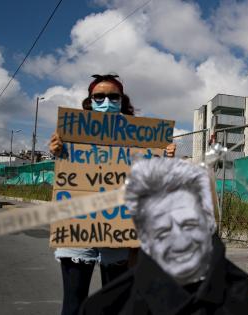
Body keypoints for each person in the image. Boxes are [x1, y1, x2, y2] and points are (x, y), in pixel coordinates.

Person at [48, 74, 176, 315]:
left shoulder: (141, 136)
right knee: (74, 305)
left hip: (119, 233)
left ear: (121, 100)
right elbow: (67, 171)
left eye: (112, 96)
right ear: (90, 100)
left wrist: (165, 158)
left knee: (116, 305)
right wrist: (56, 151)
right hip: (78, 230)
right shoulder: (73, 132)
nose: (106, 100)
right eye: (99, 96)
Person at [80, 158, 248, 314]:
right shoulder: (106, 307)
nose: (180, 241)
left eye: (189, 224)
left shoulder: (239, 292)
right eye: (163, 231)